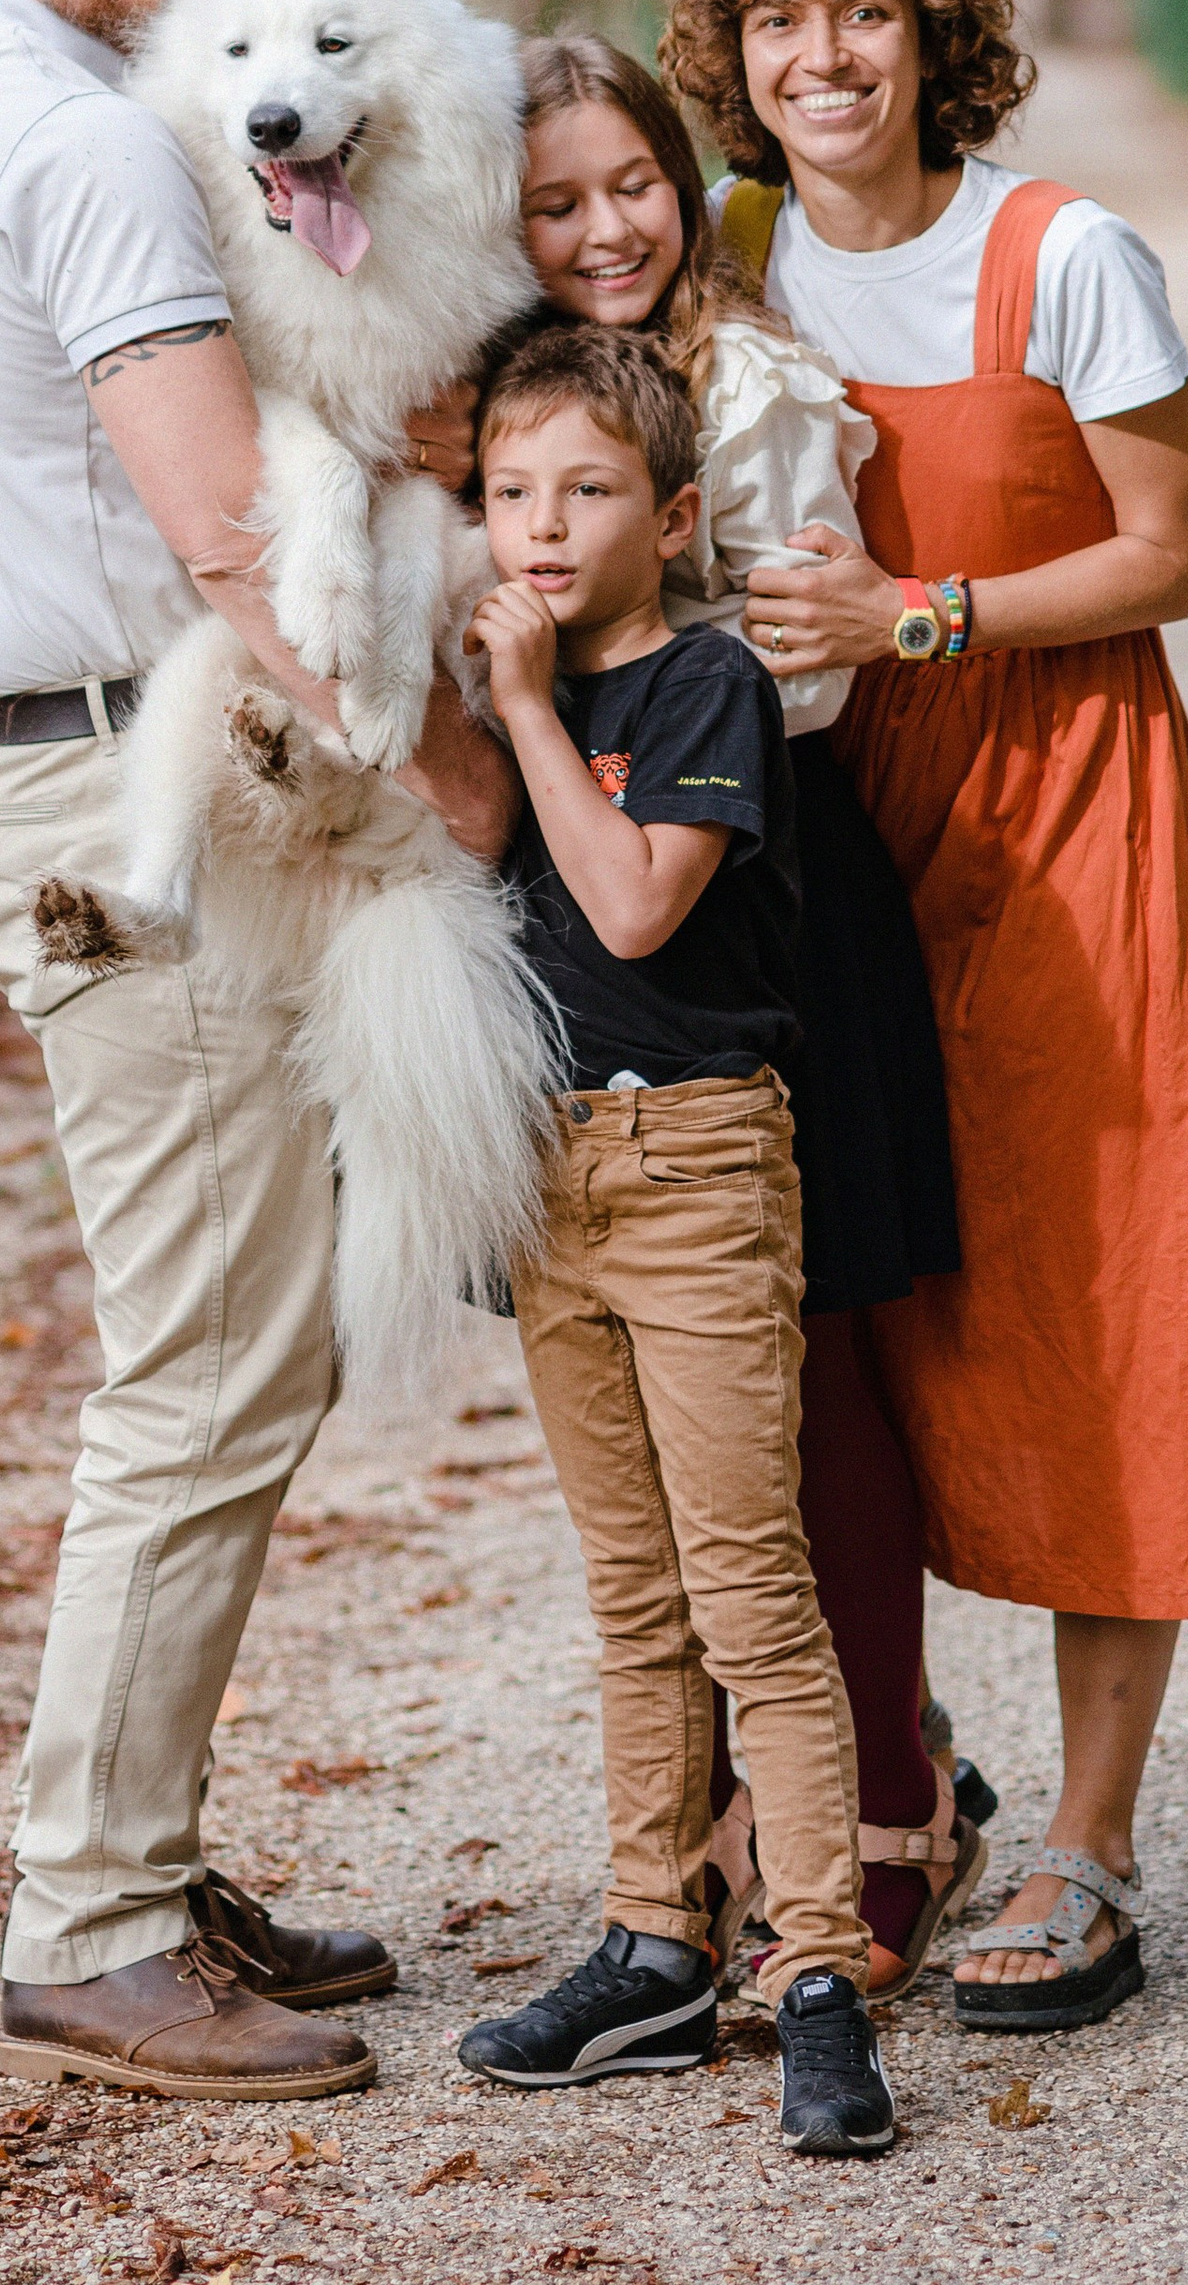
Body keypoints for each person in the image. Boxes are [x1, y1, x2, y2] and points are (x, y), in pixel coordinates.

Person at [0, 0, 510, 2104]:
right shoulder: (94, 157)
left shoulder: (51, 113)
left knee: (233, 1348)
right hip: (119, 812)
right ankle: (93, 1922)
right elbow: (238, 534)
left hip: (90, 775)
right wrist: (469, 786)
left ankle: (140, 1850)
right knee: (211, 1366)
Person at [659, 0, 1188, 2038]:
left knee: (1100, 1293)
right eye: (778, 22)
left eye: (863, 12)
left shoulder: (1063, 255)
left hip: (1061, 812)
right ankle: (892, 1784)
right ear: (735, 59)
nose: (822, 58)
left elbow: (1175, 550)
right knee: (850, 1314)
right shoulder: (722, 251)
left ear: (935, 32)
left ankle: (1091, 1845)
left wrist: (920, 614)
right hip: (818, 839)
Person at [513, 36, 982, 1998]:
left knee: (812, 1374)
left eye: (631, 182)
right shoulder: (520, 400)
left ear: (683, 180)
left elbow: (793, 677)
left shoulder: (753, 389)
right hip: (587, 937)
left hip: (764, 897)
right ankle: (709, 1837)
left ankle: (885, 1807)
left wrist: (572, 644)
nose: (602, 230)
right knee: (662, 1443)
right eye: (553, 202)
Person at [453, 322, 895, 2159]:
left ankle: (821, 1972)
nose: (544, 528)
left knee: (748, 1592)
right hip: (547, 1172)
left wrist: (529, 710)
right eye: (509, 495)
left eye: (588, 490)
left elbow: (636, 908)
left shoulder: (704, 682)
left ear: (679, 515)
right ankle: (654, 1941)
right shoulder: (500, 689)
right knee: (633, 1599)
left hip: (695, 1162)